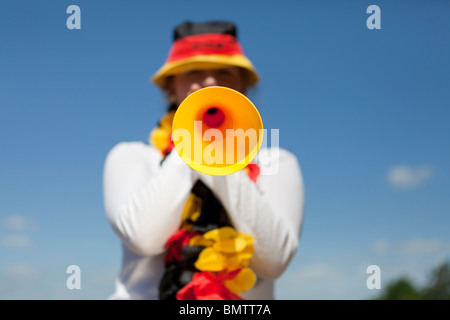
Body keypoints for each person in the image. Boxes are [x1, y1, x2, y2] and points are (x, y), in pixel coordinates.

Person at [103, 20, 305, 300]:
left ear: (244, 86)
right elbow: (144, 236)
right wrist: (193, 142)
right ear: (170, 88)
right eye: (194, 72)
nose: (210, 81)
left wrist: (221, 152)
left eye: (224, 72)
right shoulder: (131, 156)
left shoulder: (277, 161)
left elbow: (275, 260)